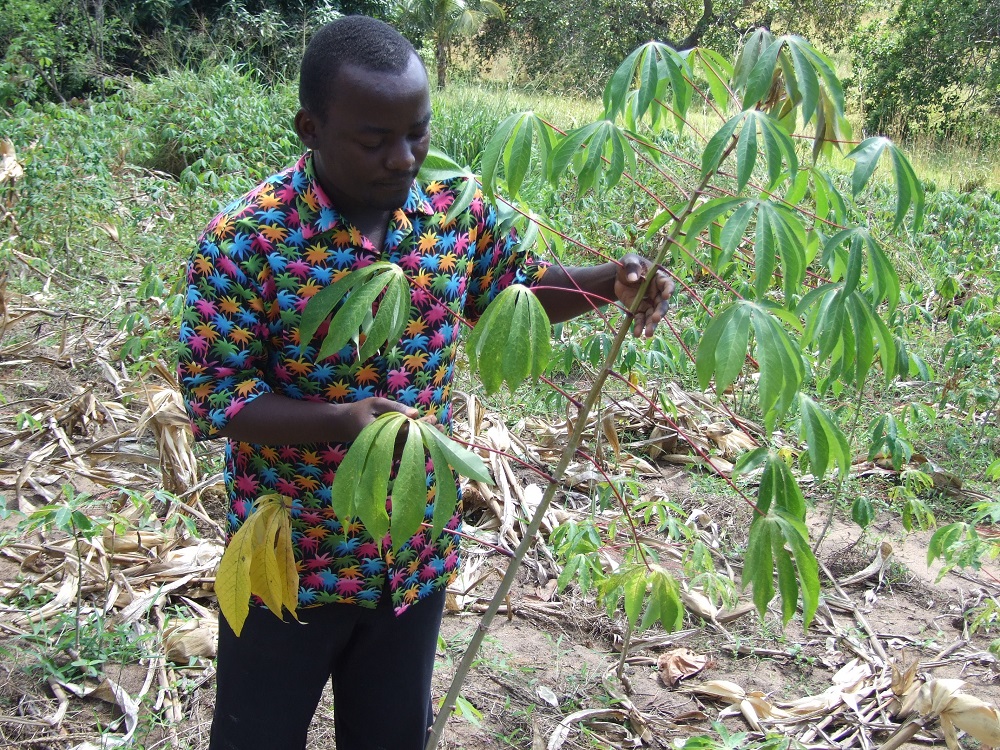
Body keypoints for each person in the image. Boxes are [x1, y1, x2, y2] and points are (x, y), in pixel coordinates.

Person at [178, 15, 673, 750]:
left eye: (418, 133)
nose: (403, 158)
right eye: (375, 141)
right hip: (293, 555)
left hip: (413, 550)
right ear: (310, 128)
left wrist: (612, 284)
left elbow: (516, 290)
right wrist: (342, 419)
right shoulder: (247, 240)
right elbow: (218, 397)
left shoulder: (452, 209)